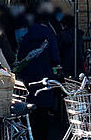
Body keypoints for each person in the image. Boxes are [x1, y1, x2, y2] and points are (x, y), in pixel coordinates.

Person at [17, 12, 61, 140]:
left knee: (30, 115)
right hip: (44, 79)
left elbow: (21, 59)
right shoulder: (49, 35)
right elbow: (55, 58)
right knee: (43, 117)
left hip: (29, 80)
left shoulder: (26, 36)